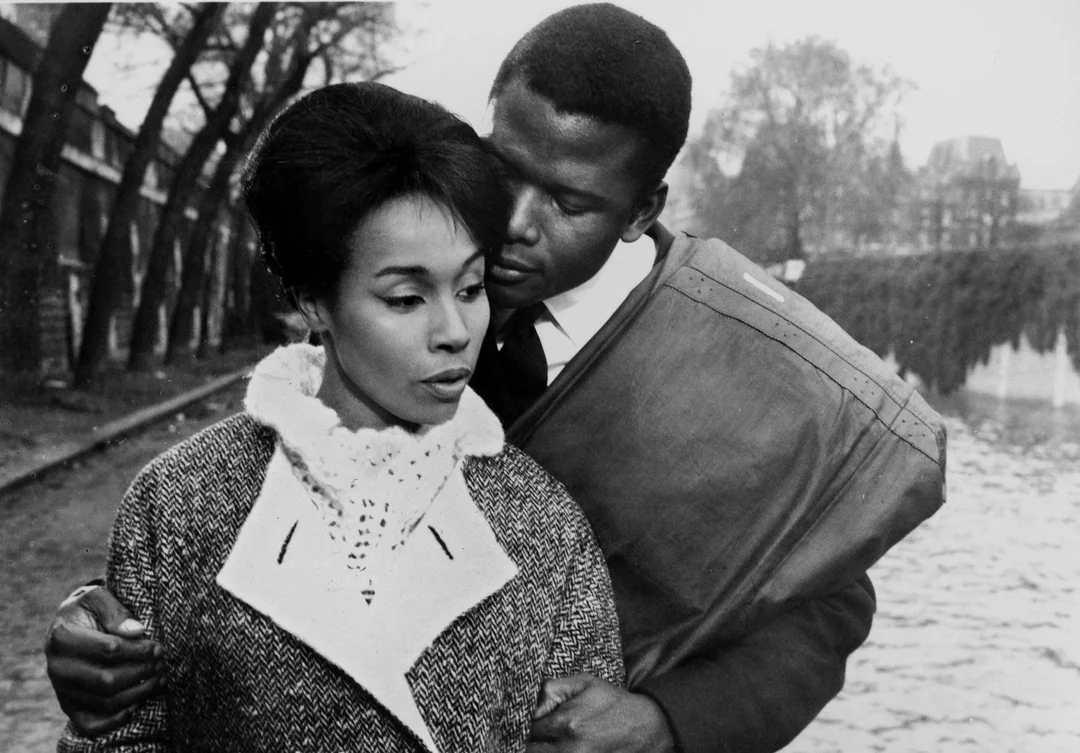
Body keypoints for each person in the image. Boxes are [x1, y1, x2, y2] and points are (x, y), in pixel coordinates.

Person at [45, 5, 947, 753]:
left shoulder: (747, 368)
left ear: (642, 210)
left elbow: (823, 595)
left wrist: (672, 721)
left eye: (568, 202)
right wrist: (112, 631)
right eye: (503, 166)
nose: (510, 221)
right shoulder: (413, 235)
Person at [55, 81, 624, 752]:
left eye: (470, 288)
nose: (454, 330)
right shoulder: (179, 501)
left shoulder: (540, 519)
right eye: (407, 297)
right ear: (313, 300)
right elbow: (117, 740)